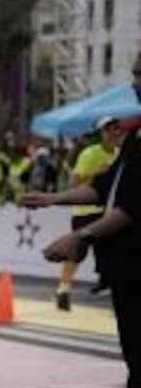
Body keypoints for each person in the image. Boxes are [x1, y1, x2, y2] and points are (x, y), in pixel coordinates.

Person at [21, 62, 141, 388]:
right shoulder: (135, 137)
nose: (135, 83)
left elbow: (132, 208)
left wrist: (80, 236)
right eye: (135, 74)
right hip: (126, 270)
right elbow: (104, 189)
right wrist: (52, 199)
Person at [53, 117, 122, 310]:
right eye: (109, 129)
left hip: (108, 211)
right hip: (86, 211)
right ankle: (63, 289)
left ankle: (108, 284)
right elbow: (74, 183)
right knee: (77, 253)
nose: (114, 133)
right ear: (101, 133)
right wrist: (98, 174)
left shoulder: (120, 154)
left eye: (116, 129)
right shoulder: (90, 154)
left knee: (117, 249)